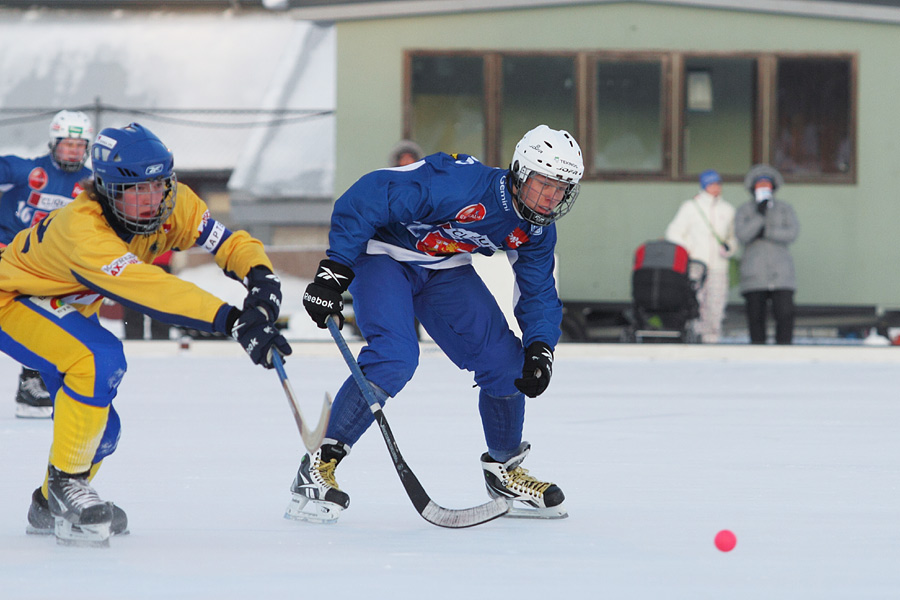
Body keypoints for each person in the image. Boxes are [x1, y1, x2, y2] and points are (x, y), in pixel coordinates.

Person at [0, 123, 291, 546]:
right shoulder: (83, 230)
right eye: (136, 190)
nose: (152, 200)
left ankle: (48, 506)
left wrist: (261, 278)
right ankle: (67, 487)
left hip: (61, 307)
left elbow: (228, 243)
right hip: (14, 298)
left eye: (159, 185)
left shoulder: (175, 205)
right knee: (98, 358)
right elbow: (151, 288)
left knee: (103, 431)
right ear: (106, 190)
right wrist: (231, 319)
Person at [287, 125, 583, 523]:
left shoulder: (536, 229)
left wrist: (541, 346)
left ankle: (504, 469)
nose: (551, 198)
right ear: (519, 173)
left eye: (561, 189)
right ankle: (320, 464)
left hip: (445, 270)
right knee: (395, 357)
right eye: (544, 184)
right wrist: (334, 270)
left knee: (508, 365)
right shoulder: (460, 183)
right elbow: (368, 195)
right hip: (385, 257)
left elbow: (539, 293)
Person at [0, 110, 94, 418]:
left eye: (79, 146)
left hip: (48, 264)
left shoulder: (92, 185)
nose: (73, 152)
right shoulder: (27, 170)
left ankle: (38, 380)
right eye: (67, 144)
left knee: (73, 319)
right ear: (53, 144)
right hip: (8, 253)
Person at [664, 169, 737, 343]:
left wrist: (729, 248)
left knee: (716, 305)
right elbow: (673, 233)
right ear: (704, 186)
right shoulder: (690, 207)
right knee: (695, 304)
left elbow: (733, 238)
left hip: (719, 266)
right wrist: (690, 250)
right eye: (711, 184)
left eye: (718, 183)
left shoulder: (728, 210)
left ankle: (712, 339)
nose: (715, 187)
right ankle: (694, 338)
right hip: (696, 266)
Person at [734, 164, 799, 344]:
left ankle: (784, 350)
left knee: (785, 313)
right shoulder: (745, 210)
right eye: (760, 185)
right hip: (754, 272)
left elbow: (792, 233)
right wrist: (759, 216)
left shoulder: (784, 208)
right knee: (756, 316)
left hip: (781, 272)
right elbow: (742, 235)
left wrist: (767, 233)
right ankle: (757, 352)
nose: (764, 189)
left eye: (767, 185)